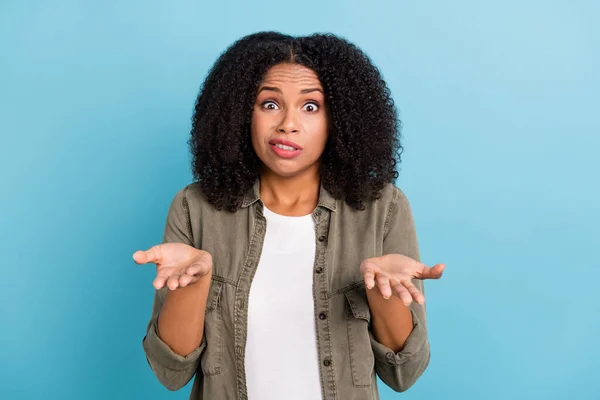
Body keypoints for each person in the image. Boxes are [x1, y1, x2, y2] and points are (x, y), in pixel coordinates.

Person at [133, 31, 445, 400]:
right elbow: (173, 373)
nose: (288, 124)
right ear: (238, 113)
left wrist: (384, 294)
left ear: (340, 120)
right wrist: (192, 286)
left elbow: (403, 374)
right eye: (269, 104)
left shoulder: (384, 208)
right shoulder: (195, 207)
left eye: (310, 106)